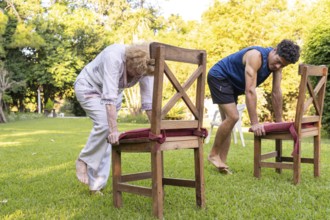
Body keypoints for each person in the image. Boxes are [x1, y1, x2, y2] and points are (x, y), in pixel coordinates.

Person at [207, 39, 300, 174]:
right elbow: (250, 90)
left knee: (228, 121)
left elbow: (276, 92)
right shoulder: (255, 56)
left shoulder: (277, 67)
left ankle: (222, 162)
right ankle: (213, 154)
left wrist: (279, 121)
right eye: (278, 61)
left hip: (231, 84)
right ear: (274, 50)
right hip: (220, 77)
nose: (278, 66)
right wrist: (255, 123)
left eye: (283, 65)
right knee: (233, 117)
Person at [74, 43, 154, 194]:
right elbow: (108, 97)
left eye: (141, 75)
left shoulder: (147, 67)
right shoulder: (114, 56)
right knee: (106, 127)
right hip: (89, 87)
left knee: (108, 137)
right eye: (136, 72)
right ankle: (83, 160)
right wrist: (114, 129)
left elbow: (148, 103)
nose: (137, 76)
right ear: (130, 61)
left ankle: (95, 186)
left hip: (114, 95)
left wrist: (156, 128)